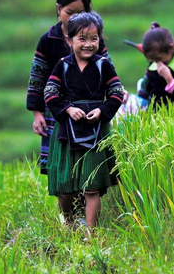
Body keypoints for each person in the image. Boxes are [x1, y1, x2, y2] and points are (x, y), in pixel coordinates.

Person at [44, 12, 124, 228]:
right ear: (69, 41)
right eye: (82, 38)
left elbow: (117, 92)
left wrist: (102, 111)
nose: (88, 44)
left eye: (94, 38)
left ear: (100, 39)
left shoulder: (103, 65)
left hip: (96, 131)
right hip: (66, 132)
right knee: (64, 187)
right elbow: (50, 93)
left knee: (92, 186)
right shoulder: (62, 65)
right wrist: (68, 109)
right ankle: (69, 220)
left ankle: (91, 234)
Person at [26, 0, 111, 175]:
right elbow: (37, 78)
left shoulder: (94, 39)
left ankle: (86, 198)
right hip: (57, 110)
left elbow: (107, 67)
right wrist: (37, 114)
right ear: (58, 9)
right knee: (60, 163)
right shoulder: (48, 40)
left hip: (89, 107)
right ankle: (66, 203)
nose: (74, 18)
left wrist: (115, 89)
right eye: (69, 12)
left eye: (80, 13)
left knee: (87, 162)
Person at [137, 22, 174, 109]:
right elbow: (144, 92)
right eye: (153, 59)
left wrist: (169, 79)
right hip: (153, 113)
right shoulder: (153, 65)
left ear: (171, 48)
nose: (157, 63)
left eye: (159, 58)